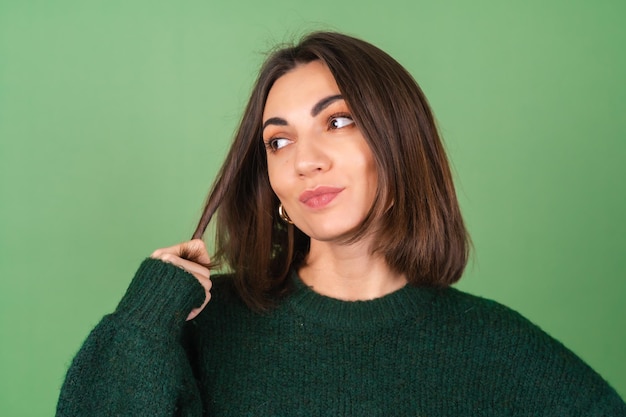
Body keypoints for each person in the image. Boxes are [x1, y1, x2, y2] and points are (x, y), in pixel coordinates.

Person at [56, 31, 626, 416]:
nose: (305, 160)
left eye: (338, 121)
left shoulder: (496, 348)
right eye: (278, 140)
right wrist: (144, 319)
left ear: (399, 141)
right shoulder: (201, 329)